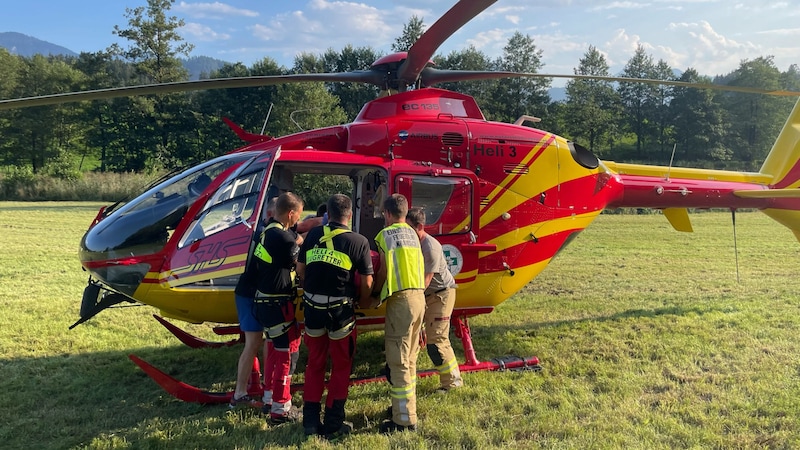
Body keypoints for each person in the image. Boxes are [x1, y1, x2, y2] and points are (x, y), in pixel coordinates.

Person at [296, 194, 374, 439]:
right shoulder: (359, 241)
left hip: (312, 310)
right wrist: (364, 300)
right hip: (341, 313)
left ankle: (310, 422)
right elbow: (368, 280)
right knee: (341, 366)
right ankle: (333, 422)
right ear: (349, 215)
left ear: (327, 213)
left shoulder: (313, 236)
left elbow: (300, 269)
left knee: (315, 364)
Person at [369, 193, 426, 433]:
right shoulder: (414, 234)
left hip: (400, 301)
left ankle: (403, 420)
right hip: (419, 298)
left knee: (398, 360)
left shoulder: (384, 236)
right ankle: (404, 407)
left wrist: (373, 295)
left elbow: (382, 271)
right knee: (410, 358)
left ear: (389, 214)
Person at [251, 192, 304, 424]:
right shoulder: (284, 239)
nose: (297, 220)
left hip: (264, 301)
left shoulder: (266, 232)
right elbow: (299, 263)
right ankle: (281, 410)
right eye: (298, 216)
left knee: (273, 350)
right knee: (286, 354)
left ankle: (269, 397)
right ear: (290, 214)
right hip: (278, 303)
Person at [406, 207, 464, 392]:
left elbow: (425, 280)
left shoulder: (430, 246)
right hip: (427, 294)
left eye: (409, 228)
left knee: (437, 340)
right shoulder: (414, 243)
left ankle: (452, 382)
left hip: (441, 294)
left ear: (420, 226)